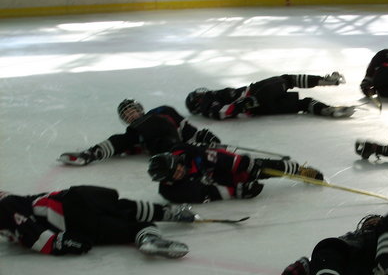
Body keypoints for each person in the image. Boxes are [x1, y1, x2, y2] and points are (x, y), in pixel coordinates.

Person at [0, 186, 196, 258]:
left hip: (71, 208)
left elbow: (29, 229)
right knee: (124, 210)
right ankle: (151, 236)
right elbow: (27, 231)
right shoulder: (8, 210)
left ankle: (162, 222)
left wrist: (60, 242)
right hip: (75, 203)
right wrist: (61, 241)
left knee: (123, 213)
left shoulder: (6, 204)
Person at [59, 99, 221, 166]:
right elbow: (127, 146)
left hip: (169, 133)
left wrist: (201, 135)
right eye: (127, 115)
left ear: (140, 109)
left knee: (131, 138)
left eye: (132, 111)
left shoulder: (160, 111)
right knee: (129, 139)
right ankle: (91, 154)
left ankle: (91, 154)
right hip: (163, 146)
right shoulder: (135, 133)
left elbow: (183, 125)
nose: (131, 115)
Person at [147, 144, 324, 203]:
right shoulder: (170, 191)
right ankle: (242, 180)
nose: (179, 172)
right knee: (244, 178)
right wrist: (237, 192)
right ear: (168, 180)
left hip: (218, 167)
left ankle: (299, 170)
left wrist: (245, 164)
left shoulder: (186, 153)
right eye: (175, 174)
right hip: (212, 180)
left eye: (178, 168)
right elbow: (204, 193)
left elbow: (217, 157)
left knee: (261, 167)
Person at [185, 72, 354, 120]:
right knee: (287, 79)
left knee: (304, 104)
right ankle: (325, 81)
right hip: (256, 94)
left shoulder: (210, 100)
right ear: (197, 102)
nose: (201, 93)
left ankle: (328, 110)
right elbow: (223, 112)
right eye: (197, 96)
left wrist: (247, 104)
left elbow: (224, 109)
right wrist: (246, 102)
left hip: (259, 107)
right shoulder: (208, 103)